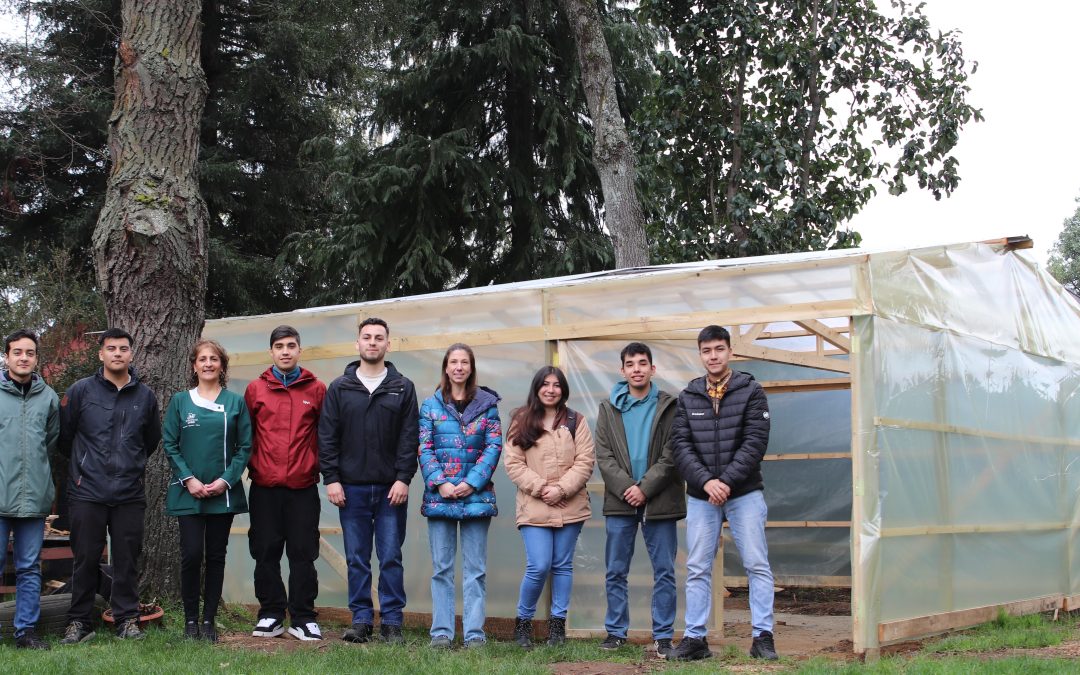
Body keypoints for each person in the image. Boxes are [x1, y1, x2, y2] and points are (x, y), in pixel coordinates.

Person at [668, 325, 777, 661]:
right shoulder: (688, 397)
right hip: (702, 496)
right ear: (700, 354)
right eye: (706, 351)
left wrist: (726, 481)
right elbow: (680, 446)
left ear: (730, 351)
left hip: (744, 493)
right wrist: (707, 483)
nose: (712, 356)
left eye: (718, 349)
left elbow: (755, 442)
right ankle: (695, 640)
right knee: (698, 566)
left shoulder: (751, 391)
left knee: (756, 563)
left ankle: (763, 638)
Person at [318, 317, 419, 645]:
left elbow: (409, 437)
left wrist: (404, 478)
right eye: (367, 337)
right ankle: (361, 620)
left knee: (391, 556)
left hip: (391, 490)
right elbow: (327, 436)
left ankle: (392, 621)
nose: (372, 342)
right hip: (351, 489)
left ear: (388, 344)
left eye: (379, 338)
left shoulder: (402, 387)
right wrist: (331, 478)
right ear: (357, 344)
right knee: (357, 557)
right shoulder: (339, 388)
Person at [58, 328, 161, 643]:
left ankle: (126, 619)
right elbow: (65, 439)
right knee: (86, 558)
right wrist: (85, 468)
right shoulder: (80, 391)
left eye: (123, 348)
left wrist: (129, 466)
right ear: (101, 354)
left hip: (129, 492)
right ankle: (79, 622)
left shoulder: (145, 396)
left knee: (127, 560)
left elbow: (150, 440)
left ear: (131, 354)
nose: (117, 353)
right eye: (111, 348)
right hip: (86, 490)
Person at [594, 342, 684, 657]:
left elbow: (673, 453)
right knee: (616, 569)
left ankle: (662, 637)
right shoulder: (608, 408)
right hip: (620, 502)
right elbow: (603, 456)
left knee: (664, 570)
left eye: (642, 363)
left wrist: (644, 488)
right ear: (622, 370)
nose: (637, 369)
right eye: (630, 364)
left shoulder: (670, 405)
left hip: (660, 501)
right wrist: (627, 488)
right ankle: (616, 632)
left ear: (652, 369)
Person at [162, 339, 252, 643]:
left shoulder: (235, 402)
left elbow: (245, 447)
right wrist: (189, 479)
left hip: (222, 494)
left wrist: (226, 480)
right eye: (203, 359)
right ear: (194, 365)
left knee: (216, 557)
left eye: (214, 359)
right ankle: (190, 621)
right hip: (189, 492)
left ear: (222, 365)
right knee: (190, 555)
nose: (209, 363)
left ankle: (209, 621)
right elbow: (170, 444)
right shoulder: (180, 401)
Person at [244, 326, 326, 641]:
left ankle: (304, 618)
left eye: (291, 345)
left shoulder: (317, 388)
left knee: (303, 552)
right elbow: (246, 435)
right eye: (279, 346)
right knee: (265, 551)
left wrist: (314, 467)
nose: (285, 351)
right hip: (264, 487)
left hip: (303, 488)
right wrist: (255, 465)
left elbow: (326, 436)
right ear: (271, 352)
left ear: (299, 350)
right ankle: (270, 614)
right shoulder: (256, 389)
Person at [417, 343, 502, 649]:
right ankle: (441, 633)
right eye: (453, 361)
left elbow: (493, 446)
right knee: (441, 569)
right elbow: (424, 447)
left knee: (475, 570)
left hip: (475, 498)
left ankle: (474, 635)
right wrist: (439, 483)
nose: (459, 367)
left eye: (464, 362)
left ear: (471, 367)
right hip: (440, 497)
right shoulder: (430, 406)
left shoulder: (488, 405)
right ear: (446, 367)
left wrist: (472, 483)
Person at [504, 366, 594, 649]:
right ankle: (523, 625)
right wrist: (544, 489)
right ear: (537, 387)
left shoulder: (576, 421)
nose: (551, 389)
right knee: (539, 565)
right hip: (534, 507)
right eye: (545, 384)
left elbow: (585, 461)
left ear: (563, 389)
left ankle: (557, 627)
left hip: (571, 504)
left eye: (557, 385)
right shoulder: (521, 420)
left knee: (562, 566)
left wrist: (562, 489)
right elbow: (513, 463)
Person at [0, 330, 59, 649]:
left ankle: (26, 632)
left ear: (37, 358)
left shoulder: (48, 397)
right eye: (17, 352)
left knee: (29, 568)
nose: (24, 357)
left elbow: (48, 446)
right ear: (6, 356)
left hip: (33, 499)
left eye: (30, 352)